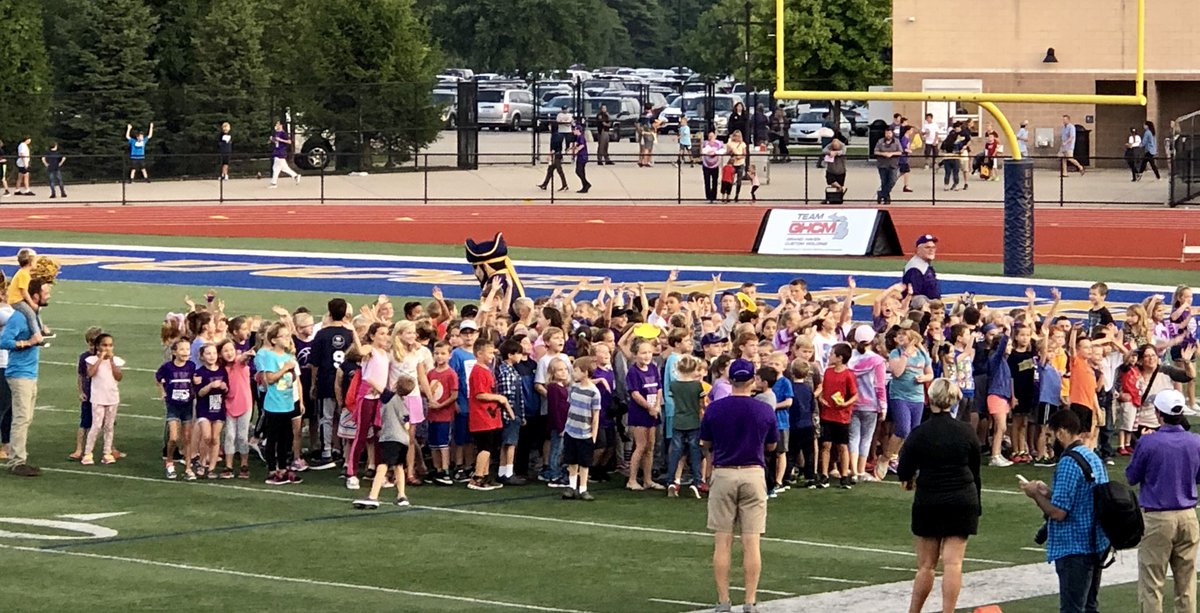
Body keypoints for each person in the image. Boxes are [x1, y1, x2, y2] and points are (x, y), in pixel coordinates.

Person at [700, 358, 778, 613]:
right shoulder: (764, 409)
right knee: (751, 541)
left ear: (730, 380)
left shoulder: (715, 408)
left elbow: (706, 443)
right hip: (753, 472)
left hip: (724, 472)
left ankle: (723, 600)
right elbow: (772, 446)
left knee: (722, 541)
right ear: (753, 380)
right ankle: (750, 600)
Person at [897, 379, 981, 613]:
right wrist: (978, 505)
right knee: (953, 563)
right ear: (954, 400)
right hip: (963, 498)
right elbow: (975, 471)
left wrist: (912, 478)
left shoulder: (919, 433)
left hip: (929, 499)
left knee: (926, 566)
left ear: (930, 399)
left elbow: (903, 470)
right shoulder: (966, 431)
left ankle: (914, 611)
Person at [1020, 409, 1109, 613]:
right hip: (1096, 543)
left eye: (1050, 435)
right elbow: (1083, 497)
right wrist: (1049, 492)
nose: (1049, 441)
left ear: (1061, 433)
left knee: (1072, 608)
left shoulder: (1068, 462)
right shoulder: (1092, 456)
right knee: (1089, 606)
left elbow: (1059, 513)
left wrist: (1036, 495)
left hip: (1074, 546)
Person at [1126, 389, 1200, 613]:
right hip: (1188, 515)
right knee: (1186, 584)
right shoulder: (1196, 441)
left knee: (1152, 584)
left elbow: (1131, 477)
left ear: (1159, 413)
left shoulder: (1149, 443)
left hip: (1157, 517)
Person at [0, 278, 50, 476]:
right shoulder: (19, 318)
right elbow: (3, 340)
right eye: (46, 292)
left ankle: (18, 456)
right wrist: (27, 343)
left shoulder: (32, 316)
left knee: (26, 418)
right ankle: (17, 461)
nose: (49, 295)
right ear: (36, 295)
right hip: (19, 373)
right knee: (21, 418)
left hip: (29, 372)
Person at [353, 375, 415, 509]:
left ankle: (373, 496)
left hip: (390, 437)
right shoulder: (402, 402)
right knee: (398, 466)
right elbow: (407, 425)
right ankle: (401, 495)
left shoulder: (390, 397)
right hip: (403, 439)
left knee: (382, 465)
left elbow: (371, 380)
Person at [255, 322, 302, 485]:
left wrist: (292, 373)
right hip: (274, 404)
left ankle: (283, 467)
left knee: (285, 438)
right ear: (274, 340)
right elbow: (269, 379)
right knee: (273, 438)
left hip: (288, 402)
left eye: (288, 336)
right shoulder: (270, 356)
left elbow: (294, 379)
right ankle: (272, 470)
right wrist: (285, 370)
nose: (287, 339)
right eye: (283, 336)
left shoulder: (289, 357)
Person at [468, 337, 508, 490]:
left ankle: (484, 475)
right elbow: (479, 394)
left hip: (491, 417)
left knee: (490, 447)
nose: (492, 356)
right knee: (484, 447)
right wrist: (498, 397)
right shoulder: (478, 371)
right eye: (489, 353)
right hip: (482, 416)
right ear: (479, 353)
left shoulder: (486, 370)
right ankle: (477, 477)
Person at [81, 332, 124, 466]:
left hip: (112, 397)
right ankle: (88, 452)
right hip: (98, 398)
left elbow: (118, 376)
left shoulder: (116, 361)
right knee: (96, 425)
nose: (107, 348)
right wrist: (100, 359)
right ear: (98, 346)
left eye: (110, 345)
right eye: (104, 345)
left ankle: (107, 452)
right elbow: (90, 374)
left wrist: (110, 361)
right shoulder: (91, 360)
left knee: (109, 426)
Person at [562, 356, 601, 501]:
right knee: (572, 461)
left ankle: (583, 488)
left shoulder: (594, 392)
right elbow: (570, 406)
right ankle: (572, 486)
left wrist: (593, 435)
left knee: (584, 463)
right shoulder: (574, 387)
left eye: (576, 371)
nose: (574, 374)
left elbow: (595, 416)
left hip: (585, 434)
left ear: (585, 372)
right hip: (571, 430)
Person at [902, 234, 941, 300]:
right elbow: (915, 298)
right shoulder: (915, 269)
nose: (931, 250)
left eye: (933, 247)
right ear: (918, 250)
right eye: (927, 247)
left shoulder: (923, 264)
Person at [537, 119, 569, 191]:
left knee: (559, 170)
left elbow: (554, 147)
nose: (549, 127)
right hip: (558, 154)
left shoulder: (555, 136)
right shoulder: (559, 135)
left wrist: (550, 155)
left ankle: (565, 185)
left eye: (550, 126)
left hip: (556, 155)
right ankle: (545, 184)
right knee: (550, 170)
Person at [268, 121, 300, 188]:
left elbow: (289, 142)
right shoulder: (277, 133)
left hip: (281, 152)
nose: (276, 125)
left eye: (277, 124)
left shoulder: (283, 133)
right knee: (283, 168)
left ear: (281, 125)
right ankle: (295, 176)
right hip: (277, 151)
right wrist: (273, 139)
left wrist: (280, 139)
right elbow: (277, 142)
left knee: (276, 168)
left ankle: (274, 183)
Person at [874, 128, 902, 204]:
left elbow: (900, 152)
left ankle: (881, 194)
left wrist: (892, 154)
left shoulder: (896, 141)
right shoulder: (880, 141)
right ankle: (886, 198)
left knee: (892, 180)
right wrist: (883, 154)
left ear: (892, 134)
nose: (888, 135)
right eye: (886, 133)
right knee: (884, 181)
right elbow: (875, 151)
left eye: (889, 133)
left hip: (893, 165)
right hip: (882, 165)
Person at [701, 131, 725, 203]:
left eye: (712, 136)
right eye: (709, 136)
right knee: (707, 181)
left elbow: (723, 150)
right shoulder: (705, 143)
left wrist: (716, 152)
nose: (711, 137)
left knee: (715, 181)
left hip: (715, 165)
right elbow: (702, 150)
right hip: (706, 164)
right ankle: (708, 196)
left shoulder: (719, 143)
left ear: (715, 136)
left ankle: (714, 196)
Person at [725, 130, 748, 202]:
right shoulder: (730, 143)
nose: (737, 137)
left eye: (738, 136)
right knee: (729, 181)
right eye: (736, 136)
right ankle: (728, 195)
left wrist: (740, 157)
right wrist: (731, 152)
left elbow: (744, 153)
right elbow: (727, 152)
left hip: (740, 163)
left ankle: (737, 195)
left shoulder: (743, 144)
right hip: (732, 164)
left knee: (739, 181)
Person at [569, 123, 591, 194]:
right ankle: (585, 186)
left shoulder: (580, 137)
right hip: (581, 156)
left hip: (582, 156)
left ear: (578, 130)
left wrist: (576, 150)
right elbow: (578, 145)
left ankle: (586, 184)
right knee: (581, 171)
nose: (573, 131)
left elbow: (582, 145)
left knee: (578, 171)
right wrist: (572, 148)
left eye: (574, 130)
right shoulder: (578, 137)